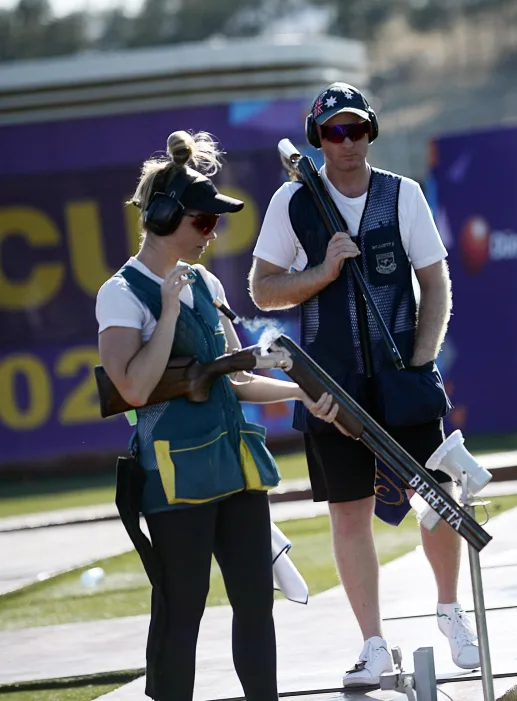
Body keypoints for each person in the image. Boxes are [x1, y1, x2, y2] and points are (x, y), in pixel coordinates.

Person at [96, 130, 342, 701]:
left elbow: (233, 378)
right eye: (201, 223)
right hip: (174, 476)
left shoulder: (206, 281)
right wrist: (163, 306)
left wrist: (300, 394)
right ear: (162, 219)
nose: (211, 233)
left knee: (255, 603)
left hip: (235, 467)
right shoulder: (121, 293)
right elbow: (132, 388)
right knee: (182, 609)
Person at [248, 82, 479, 687]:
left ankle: (451, 610)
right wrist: (323, 270)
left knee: (439, 496)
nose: (346, 142)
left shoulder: (402, 195)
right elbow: (262, 288)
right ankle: (373, 645)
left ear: (371, 130)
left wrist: (421, 359)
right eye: (333, 131)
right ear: (316, 138)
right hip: (329, 384)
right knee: (348, 517)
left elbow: (435, 281)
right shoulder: (291, 202)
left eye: (356, 128)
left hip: (403, 375)